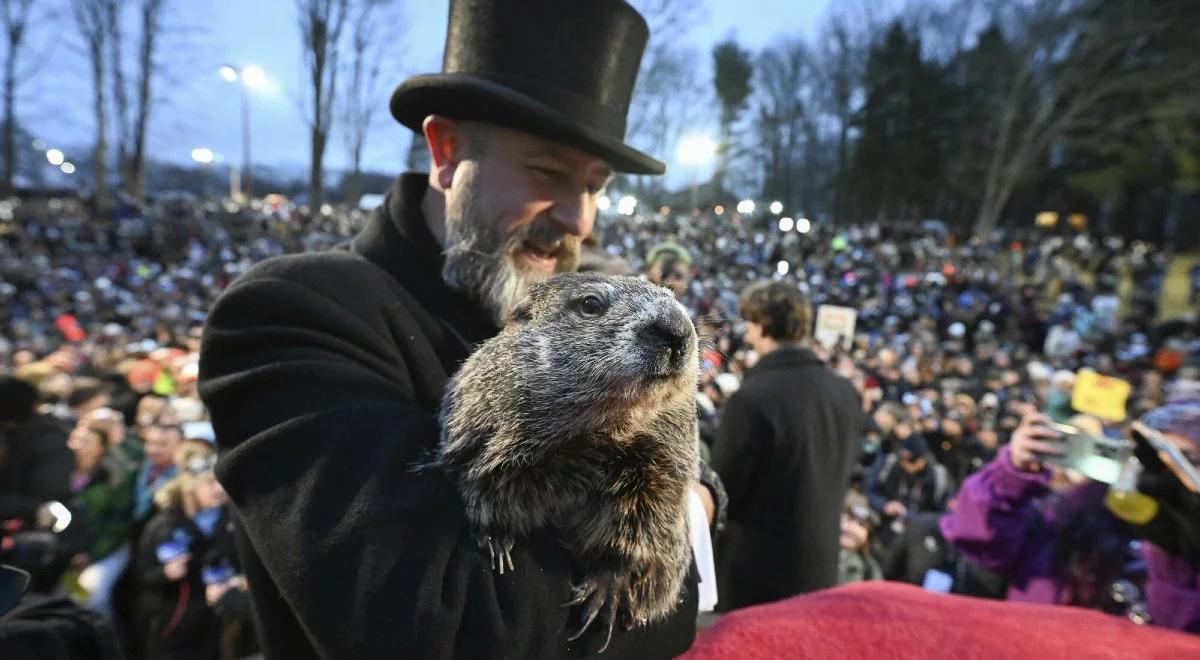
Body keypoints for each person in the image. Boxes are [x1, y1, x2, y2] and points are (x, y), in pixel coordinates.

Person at [199, 1, 712, 657]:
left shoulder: (585, 294)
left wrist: (689, 498)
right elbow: (447, 628)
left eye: (595, 186)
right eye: (548, 171)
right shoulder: (293, 311)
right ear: (447, 152)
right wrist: (690, 514)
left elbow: (688, 448)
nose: (580, 218)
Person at [940, 406, 1200, 631]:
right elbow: (979, 540)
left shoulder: (1186, 553)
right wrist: (1010, 476)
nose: (1163, 470)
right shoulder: (1071, 512)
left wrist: (1177, 552)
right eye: (1153, 456)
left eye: (1185, 459)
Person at [711, 281, 864, 610]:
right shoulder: (845, 392)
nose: (748, 335)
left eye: (750, 324)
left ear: (762, 326)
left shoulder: (753, 398)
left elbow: (723, 492)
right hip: (819, 570)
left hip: (755, 580)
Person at [135, 447, 241, 660]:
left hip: (222, 613)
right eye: (210, 482)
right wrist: (165, 573)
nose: (219, 489)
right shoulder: (164, 525)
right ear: (190, 487)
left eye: (221, 482)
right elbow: (141, 574)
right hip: (175, 616)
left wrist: (236, 580)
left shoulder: (232, 517)